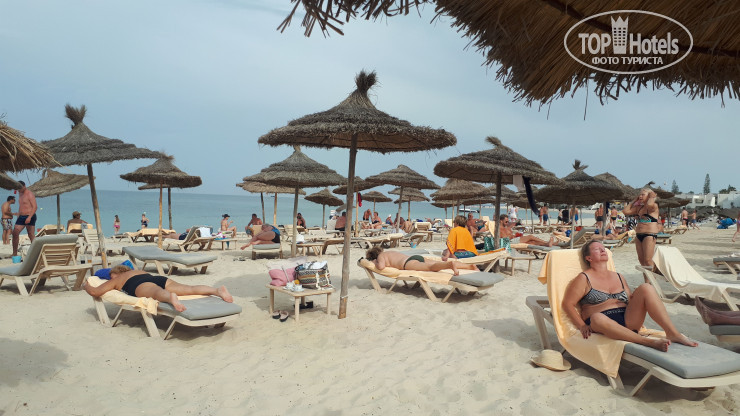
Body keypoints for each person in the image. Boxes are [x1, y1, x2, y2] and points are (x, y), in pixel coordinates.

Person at [562, 240, 697, 352]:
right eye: (597, 249)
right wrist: (581, 325)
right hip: (602, 324)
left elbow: (631, 300)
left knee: (646, 287)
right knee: (597, 318)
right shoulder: (584, 278)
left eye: (603, 248)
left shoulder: (619, 276)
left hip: (628, 321)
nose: (603, 250)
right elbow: (567, 304)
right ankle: (647, 342)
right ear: (589, 258)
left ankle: (672, 333)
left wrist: (640, 301)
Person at [83, 264, 233, 312]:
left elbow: (95, 291)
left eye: (111, 275)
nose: (110, 278)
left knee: (156, 292)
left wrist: (86, 285)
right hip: (157, 278)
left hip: (137, 283)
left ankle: (170, 298)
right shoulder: (139, 270)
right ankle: (217, 291)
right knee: (189, 288)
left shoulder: (118, 279)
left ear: (116, 273)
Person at [366, 246, 477, 276]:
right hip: (415, 257)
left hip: (408, 264)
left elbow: (381, 267)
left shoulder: (380, 257)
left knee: (431, 268)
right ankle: (470, 266)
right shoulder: (389, 252)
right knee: (435, 263)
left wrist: (374, 262)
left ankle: (449, 265)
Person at [621, 188, 660, 269]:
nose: (640, 196)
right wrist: (634, 200)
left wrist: (651, 197)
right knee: (642, 261)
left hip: (649, 235)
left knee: (648, 260)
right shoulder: (639, 208)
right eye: (639, 195)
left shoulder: (654, 206)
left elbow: (649, 205)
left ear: (649, 196)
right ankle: (646, 277)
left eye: (643, 194)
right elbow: (625, 211)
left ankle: (653, 276)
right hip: (639, 235)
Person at [12, 181, 37, 257]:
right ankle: (14, 253)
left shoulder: (29, 194)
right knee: (15, 233)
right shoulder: (20, 193)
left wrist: (29, 217)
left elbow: (35, 207)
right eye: (18, 189)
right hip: (21, 217)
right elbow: (22, 205)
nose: (18, 190)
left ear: (24, 186)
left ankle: (36, 252)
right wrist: (19, 214)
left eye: (20, 188)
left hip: (30, 216)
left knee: (31, 235)